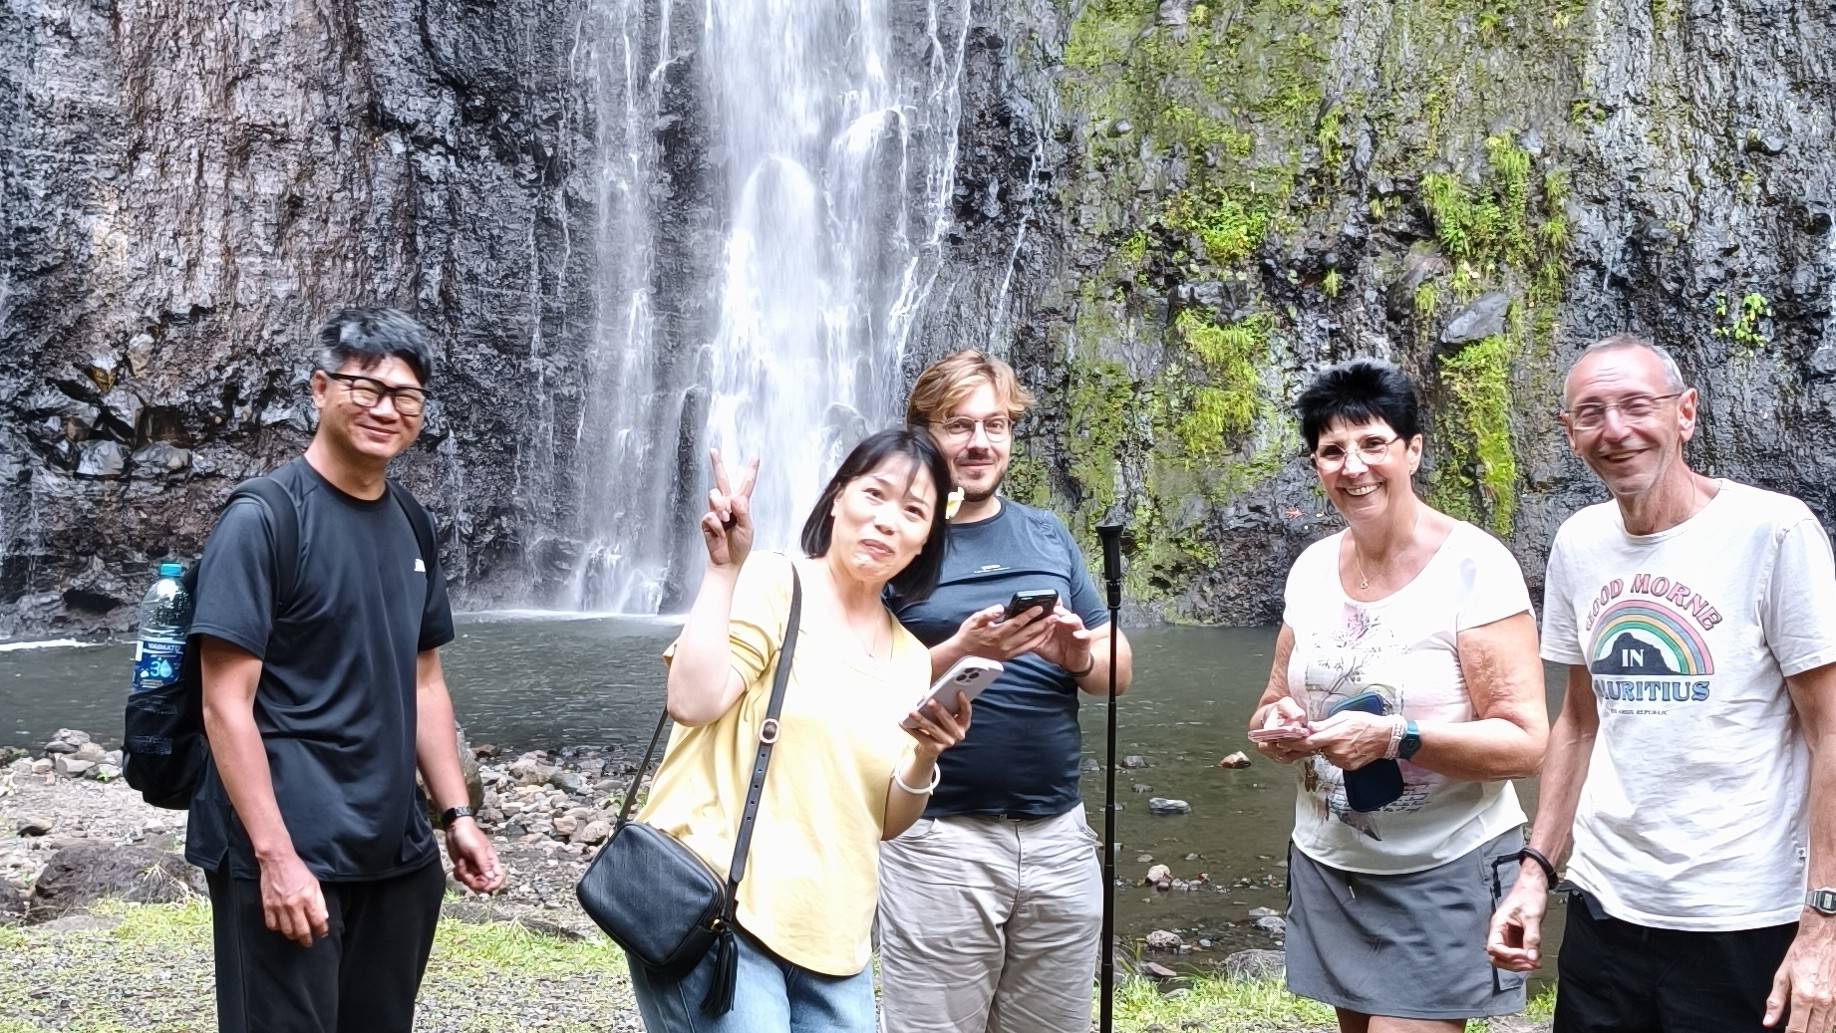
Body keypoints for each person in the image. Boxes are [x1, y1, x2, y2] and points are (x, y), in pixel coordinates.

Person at [1487, 335, 1836, 1033]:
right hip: (1605, 909)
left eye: (1637, 405)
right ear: (1570, 433)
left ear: (1686, 413)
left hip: (1743, 918)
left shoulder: (1773, 532)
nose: (1616, 430)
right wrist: (1535, 872)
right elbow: (1579, 722)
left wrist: (1823, 924)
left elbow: (1829, 732)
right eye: (1592, 413)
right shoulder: (1579, 543)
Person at [187, 307, 504, 1033]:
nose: (386, 409)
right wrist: (276, 857)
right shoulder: (263, 520)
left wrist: (457, 815)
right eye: (367, 388)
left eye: (406, 396)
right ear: (320, 389)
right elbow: (224, 705)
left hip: (394, 854)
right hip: (291, 850)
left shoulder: (413, 523)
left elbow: (425, 679)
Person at [628, 428, 972, 1033]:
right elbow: (690, 699)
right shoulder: (771, 582)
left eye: (913, 512)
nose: (887, 521)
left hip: (836, 937)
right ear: (837, 497)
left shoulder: (912, 659)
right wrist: (722, 573)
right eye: (875, 494)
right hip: (721, 912)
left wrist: (925, 753)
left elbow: (885, 820)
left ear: (925, 541)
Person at [1249, 357, 1549, 1032]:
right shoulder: (1311, 569)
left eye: (1373, 443)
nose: (1353, 466)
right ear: (1316, 464)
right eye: (1332, 450)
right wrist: (1279, 725)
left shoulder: (1475, 568)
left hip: (1442, 869)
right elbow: (1271, 700)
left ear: (1413, 449)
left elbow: (1526, 742)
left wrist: (1397, 736)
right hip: (1332, 861)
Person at [878, 349, 1135, 1033]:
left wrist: (1079, 654)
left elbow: (1118, 668)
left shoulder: (1046, 532)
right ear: (925, 433)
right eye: (959, 425)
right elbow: (854, 678)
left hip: (1056, 836)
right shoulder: (894, 539)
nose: (980, 442)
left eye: (996, 425)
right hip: (937, 839)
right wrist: (962, 649)